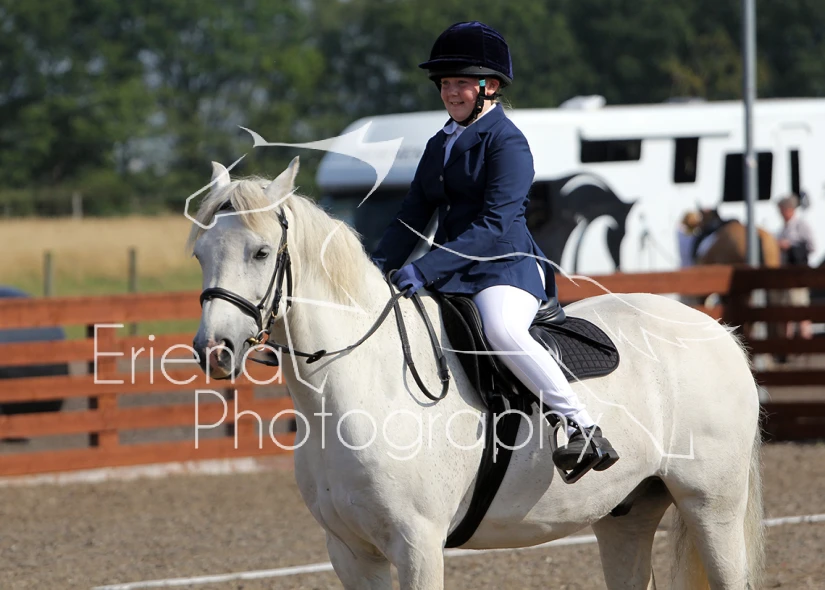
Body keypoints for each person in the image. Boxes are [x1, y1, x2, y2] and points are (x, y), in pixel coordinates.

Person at [371, 21, 619, 472]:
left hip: (504, 267)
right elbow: (411, 217)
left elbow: (493, 225)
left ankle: (581, 426)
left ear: (489, 87)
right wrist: (373, 271)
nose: (451, 93)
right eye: (445, 83)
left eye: (461, 83)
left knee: (502, 330)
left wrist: (425, 269)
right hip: (452, 271)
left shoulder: (507, 142)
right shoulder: (439, 144)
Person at [776, 194, 815, 340]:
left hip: (798, 275)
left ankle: (805, 342)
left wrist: (790, 246)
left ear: (789, 209)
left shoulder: (801, 225)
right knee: (787, 312)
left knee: (801, 310)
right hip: (786, 276)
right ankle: (788, 344)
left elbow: (812, 246)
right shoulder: (782, 228)